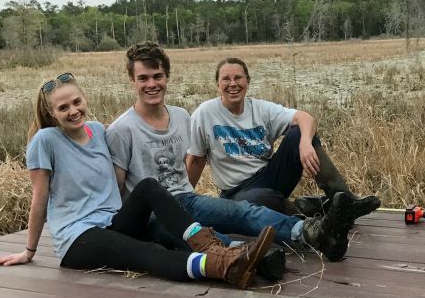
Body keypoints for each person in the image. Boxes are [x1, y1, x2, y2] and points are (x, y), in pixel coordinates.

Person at [0, 72, 274, 289]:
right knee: (148, 252)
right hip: (78, 238)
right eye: (63, 108)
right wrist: (29, 251)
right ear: (52, 113)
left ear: (85, 99)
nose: (73, 110)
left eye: (77, 102)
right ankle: (221, 266)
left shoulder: (99, 131)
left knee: (148, 186)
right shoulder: (45, 141)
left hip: (112, 223)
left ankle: (210, 246)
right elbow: (39, 199)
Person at [107, 42, 358, 262]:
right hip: (153, 212)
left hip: (186, 199)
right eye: (143, 78)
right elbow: (115, 189)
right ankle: (252, 256)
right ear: (132, 81)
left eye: (157, 76)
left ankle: (313, 232)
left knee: (244, 212)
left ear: (166, 78)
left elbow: (185, 167)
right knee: (204, 237)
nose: (152, 84)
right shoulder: (122, 129)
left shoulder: (182, 117)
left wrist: (197, 200)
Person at [185, 56, 382, 220]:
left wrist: (305, 143)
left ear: (248, 81)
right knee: (260, 200)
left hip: (270, 176)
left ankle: (343, 198)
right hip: (238, 191)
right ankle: (313, 218)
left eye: (238, 78)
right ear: (217, 84)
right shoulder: (205, 114)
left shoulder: (260, 108)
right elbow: (195, 160)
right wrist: (183, 199)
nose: (233, 84)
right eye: (226, 79)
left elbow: (305, 118)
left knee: (299, 132)